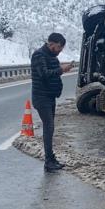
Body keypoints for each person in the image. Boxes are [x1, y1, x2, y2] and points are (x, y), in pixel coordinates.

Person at [31, 33, 74, 172]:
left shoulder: (51, 56)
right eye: (59, 47)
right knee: (48, 127)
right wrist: (62, 70)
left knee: (50, 128)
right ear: (52, 44)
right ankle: (48, 161)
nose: (60, 50)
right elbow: (44, 74)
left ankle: (51, 158)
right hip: (41, 97)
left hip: (50, 97)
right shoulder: (39, 55)